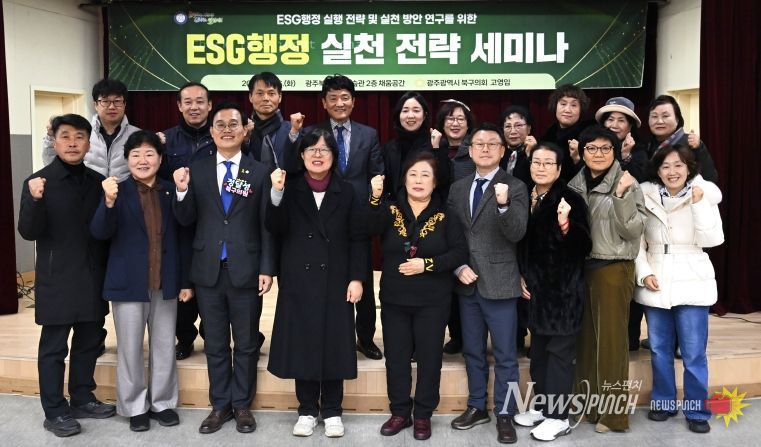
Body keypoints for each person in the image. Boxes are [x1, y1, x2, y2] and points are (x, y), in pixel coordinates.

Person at [172, 102, 276, 435]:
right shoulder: (197, 169)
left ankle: (242, 405)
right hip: (208, 270)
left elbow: (266, 225)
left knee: (246, 344)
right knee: (215, 344)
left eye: (234, 124)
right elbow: (185, 221)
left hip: (247, 269)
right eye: (221, 125)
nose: (227, 130)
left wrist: (267, 268)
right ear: (212, 131)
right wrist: (182, 191)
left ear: (246, 130)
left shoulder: (259, 171)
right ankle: (220, 405)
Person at [18, 114, 116, 437]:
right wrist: (34, 200)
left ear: (89, 143)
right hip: (56, 278)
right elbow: (28, 231)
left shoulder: (98, 181)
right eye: (65, 136)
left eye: (79, 137)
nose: (72, 143)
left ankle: (82, 398)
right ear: (55, 141)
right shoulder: (38, 181)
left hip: (92, 277)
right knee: (54, 349)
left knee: (89, 342)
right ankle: (55, 411)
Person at [265, 128, 366, 438]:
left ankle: (333, 410)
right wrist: (276, 194)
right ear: (302, 155)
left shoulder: (347, 191)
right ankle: (307, 409)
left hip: (336, 277)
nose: (318, 155)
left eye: (324, 150)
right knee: (304, 343)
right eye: (312, 150)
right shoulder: (289, 187)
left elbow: (358, 238)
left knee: (334, 343)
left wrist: (357, 278)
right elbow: (275, 227)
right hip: (299, 277)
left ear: (334, 156)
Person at [90, 130, 191, 431]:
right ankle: (134, 406)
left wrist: (186, 281)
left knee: (164, 346)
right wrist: (108, 202)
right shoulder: (116, 190)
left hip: (165, 281)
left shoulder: (171, 190)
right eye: (135, 155)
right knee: (130, 348)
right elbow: (99, 232)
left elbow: (184, 236)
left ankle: (162, 403)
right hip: (128, 283)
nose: (142, 160)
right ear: (127, 160)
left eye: (149, 154)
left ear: (160, 159)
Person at [366, 152, 467, 440]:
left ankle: (423, 414)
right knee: (396, 358)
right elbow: (367, 228)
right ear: (404, 180)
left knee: (429, 358)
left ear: (435, 182)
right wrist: (374, 198)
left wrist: (427, 264)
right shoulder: (389, 209)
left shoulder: (446, 215)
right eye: (413, 174)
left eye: (425, 175)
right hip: (394, 298)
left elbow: (459, 253)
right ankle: (400, 411)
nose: (418, 180)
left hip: (433, 301)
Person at [42, 78, 141, 357]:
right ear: (95, 104)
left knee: (115, 274)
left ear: (125, 104)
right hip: (86, 213)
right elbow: (52, 161)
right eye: (105, 101)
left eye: (117, 101)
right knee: (92, 275)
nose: (111, 106)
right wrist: (49, 137)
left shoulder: (137, 134)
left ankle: (112, 334)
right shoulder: (82, 133)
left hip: (124, 216)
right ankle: (95, 336)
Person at [447, 123, 529, 444]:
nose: (484, 148)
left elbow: (517, 232)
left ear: (502, 150)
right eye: (478, 143)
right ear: (469, 150)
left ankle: (505, 413)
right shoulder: (458, 188)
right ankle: (477, 406)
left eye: (491, 144)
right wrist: (457, 266)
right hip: (466, 282)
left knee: (506, 354)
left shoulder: (516, 186)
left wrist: (504, 205)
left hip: (501, 282)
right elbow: (451, 236)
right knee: (473, 351)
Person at [635, 145, 724, 434]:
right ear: (657, 171)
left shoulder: (703, 194)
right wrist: (644, 272)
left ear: (689, 168)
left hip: (693, 276)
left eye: (678, 165)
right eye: (666, 166)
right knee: (659, 349)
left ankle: (697, 409)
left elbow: (713, 239)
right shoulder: (646, 195)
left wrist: (698, 203)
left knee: (693, 352)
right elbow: (637, 242)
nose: (672, 171)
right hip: (657, 276)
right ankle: (663, 402)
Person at [568, 125, 646, 433]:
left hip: (613, 267)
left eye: (605, 148)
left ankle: (614, 416)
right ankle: (590, 407)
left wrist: (620, 196)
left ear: (615, 152)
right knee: (586, 342)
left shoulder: (627, 182)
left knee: (611, 343)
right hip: (581, 269)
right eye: (591, 148)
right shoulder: (574, 183)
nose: (598, 154)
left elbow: (634, 230)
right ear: (582, 152)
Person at [301, 74, 384, 361]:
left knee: (362, 277)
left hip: (358, 214)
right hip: (323, 216)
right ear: (324, 103)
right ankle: (332, 335)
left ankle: (365, 338)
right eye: (333, 98)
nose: (339, 103)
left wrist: (371, 204)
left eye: (345, 97)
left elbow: (376, 172)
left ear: (354, 101)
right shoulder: (312, 133)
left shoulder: (368, 134)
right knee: (328, 278)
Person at [513, 142, 592, 441]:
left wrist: (565, 224)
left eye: (548, 163)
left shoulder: (571, 199)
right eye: (537, 162)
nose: (541, 167)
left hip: (562, 295)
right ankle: (543, 407)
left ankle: (559, 417)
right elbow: (523, 244)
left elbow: (584, 246)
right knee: (539, 354)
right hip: (535, 294)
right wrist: (521, 274)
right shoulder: (526, 195)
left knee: (559, 356)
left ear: (559, 169)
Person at [157, 81, 215, 361]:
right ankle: (185, 338)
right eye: (188, 102)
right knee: (181, 282)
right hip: (177, 222)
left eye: (200, 101)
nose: (194, 107)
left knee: (211, 283)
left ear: (209, 105)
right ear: (179, 106)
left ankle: (211, 334)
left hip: (212, 221)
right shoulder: (165, 140)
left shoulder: (221, 136)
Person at [594, 96, 649, 351]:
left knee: (629, 290)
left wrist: (625, 158)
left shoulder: (640, 151)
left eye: (621, 120)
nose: (614, 124)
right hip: (599, 234)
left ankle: (629, 339)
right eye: (610, 119)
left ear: (630, 126)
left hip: (628, 228)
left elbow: (640, 183)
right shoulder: (593, 146)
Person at [433, 98, 475, 354]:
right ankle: (455, 335)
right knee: (445, 281)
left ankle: (468, 336)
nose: (455, 123)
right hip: (440, 223)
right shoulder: (435, 148)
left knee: (466, 283)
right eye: (450, 118)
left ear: (469, 123)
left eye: (461, 118)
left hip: (468, 224)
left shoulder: (475, 150)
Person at [383, 91, 450, 199]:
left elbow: (443, 182)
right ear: (398, 115)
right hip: (394, 207)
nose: (410, 115)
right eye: (405, 111)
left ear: (424, 115)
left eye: (416, 110)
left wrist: (436, 149)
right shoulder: (389, 148)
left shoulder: (436, 143)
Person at [646, 95, 718, 183]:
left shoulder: (691, 144)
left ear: (677, 119)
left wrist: (699, 149)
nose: (659, 121)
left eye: (665, 116)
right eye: (654, 116)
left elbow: (710, 178)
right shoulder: (645, 145)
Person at [246, 71, 303, 171]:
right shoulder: (244, 130)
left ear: (280, 97)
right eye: (260, 93)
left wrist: (294, 132)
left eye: (271, 93)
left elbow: (297, 164)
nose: (266, 98)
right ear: (250, 97)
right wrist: (245, 140)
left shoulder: (294, 129)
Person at [541, 83, 596, 183]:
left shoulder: (590, 135)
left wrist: (578, 159)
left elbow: (595, 176)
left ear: (581, 109)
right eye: (563, 104)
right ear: (555, 106)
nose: (567, 110)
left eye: (574, 105)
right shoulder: (548, 135)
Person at [501, 105, 537, 188]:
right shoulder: (498, 153)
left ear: (529, 128)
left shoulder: (539, 152)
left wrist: (532, 155)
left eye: (518, 126)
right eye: (508, 126)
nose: (513, 131)